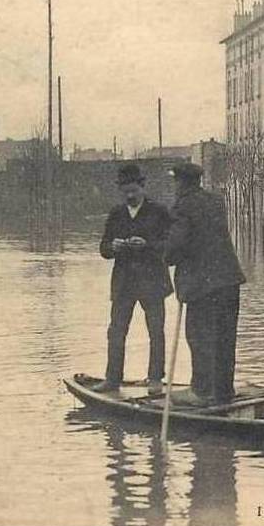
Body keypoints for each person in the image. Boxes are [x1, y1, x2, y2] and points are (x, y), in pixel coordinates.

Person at [165, 161, 246, 405]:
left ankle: (201, 391)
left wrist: (166, 255)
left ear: (180, 182)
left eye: (175, 182)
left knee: (199, 337)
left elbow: (176, 246)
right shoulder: (216, 202)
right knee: (224, 337)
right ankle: (223, 391)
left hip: (203, 285)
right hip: (230, 280)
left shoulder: (183, 205)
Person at [94, 163, 174, 395]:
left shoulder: (159, 212)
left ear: (142, 187)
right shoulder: (116, 213)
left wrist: (148, 245)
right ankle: (112, 379)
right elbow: (103, 249)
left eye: (134, 191)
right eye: (125, 191)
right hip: (124, 283)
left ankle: (156, 380)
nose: (130, 195)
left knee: (156, 331)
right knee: (116, 331)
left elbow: (170, 246)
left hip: (153, 282)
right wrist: (113, 246)